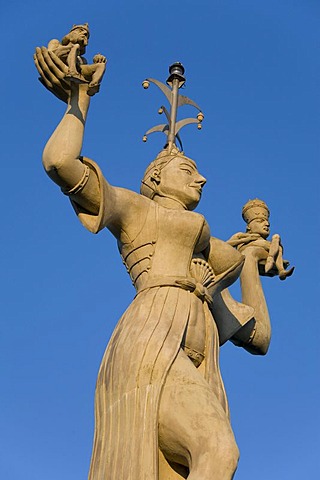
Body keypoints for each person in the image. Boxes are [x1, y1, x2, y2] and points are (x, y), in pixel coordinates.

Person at [34, 46, 273, 480]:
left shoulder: (208, 265)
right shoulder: (139, 211)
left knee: (209, 457)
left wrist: (251, 262)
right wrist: (79, 101)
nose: (201, 178)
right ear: (157, 177)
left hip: (195, 354)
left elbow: (260, 337)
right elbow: (59, 162)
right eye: (188, 167)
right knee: (219, 451)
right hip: (150, 339)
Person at [228, 199, 294, 280]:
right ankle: (273, 261)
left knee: (276, 238)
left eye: (267, 222)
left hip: (267, 256)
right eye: (260, 221)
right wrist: (245, 240)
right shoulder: (241, 235)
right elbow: (227, 245)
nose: (267, 224)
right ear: (248, 226)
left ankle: (279, 268)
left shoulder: (269, 242)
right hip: (249, 256)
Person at [47, 24, 106, 96]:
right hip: (61, 62)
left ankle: (93, 85)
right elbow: (49, 54)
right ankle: (72, 72)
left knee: (100, 65)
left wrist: (97, 61)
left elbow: (84, 75)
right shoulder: (56, 42)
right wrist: (71, 47)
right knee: (75, 47)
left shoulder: (82, 59)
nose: (84, 34)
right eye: (80, 30)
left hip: (77, 72)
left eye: (86, 35)